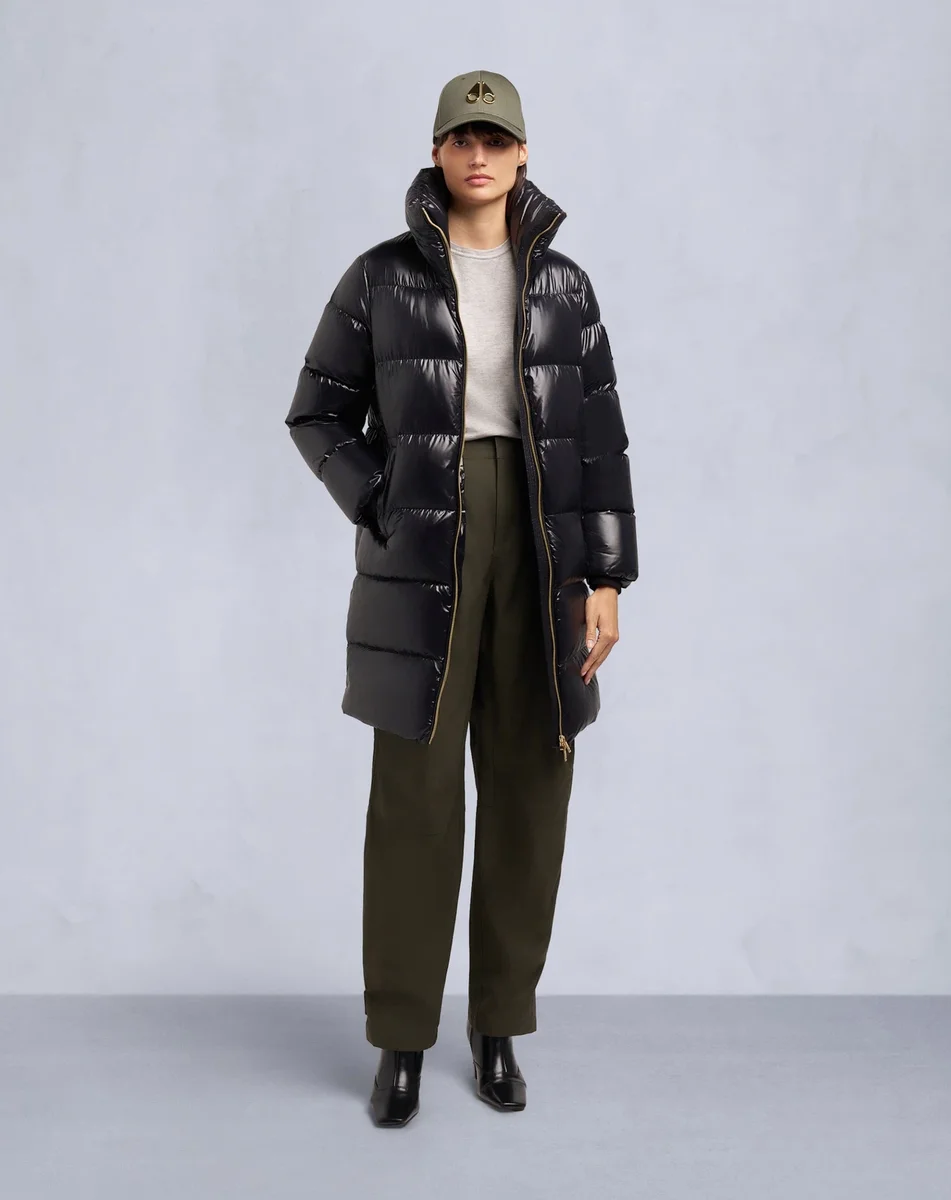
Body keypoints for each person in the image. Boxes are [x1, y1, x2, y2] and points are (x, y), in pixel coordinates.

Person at [285, 70, 638, 1127]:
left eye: (495, 138)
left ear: (522, 154)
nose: (477, 155)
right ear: (436, 152)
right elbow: (316, 412)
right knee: (416, 799)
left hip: (543, 543)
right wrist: (380, 500)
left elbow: (601, 441)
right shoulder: (380, 278)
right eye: (460, 138)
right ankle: (400, 1042)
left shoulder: (565, 287)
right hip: (425, 545)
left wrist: (607, 578)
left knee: (532, 784)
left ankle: (498, 1031)